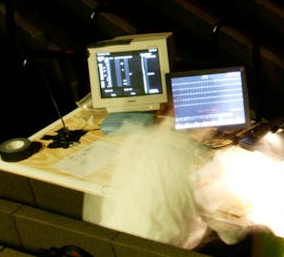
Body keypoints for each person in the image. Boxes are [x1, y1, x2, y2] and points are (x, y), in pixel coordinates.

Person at [88, 104, 209, 249]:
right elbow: (230, 236)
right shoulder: (197, 159)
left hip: (112, 243)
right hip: (166, 253)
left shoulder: (135, 139)